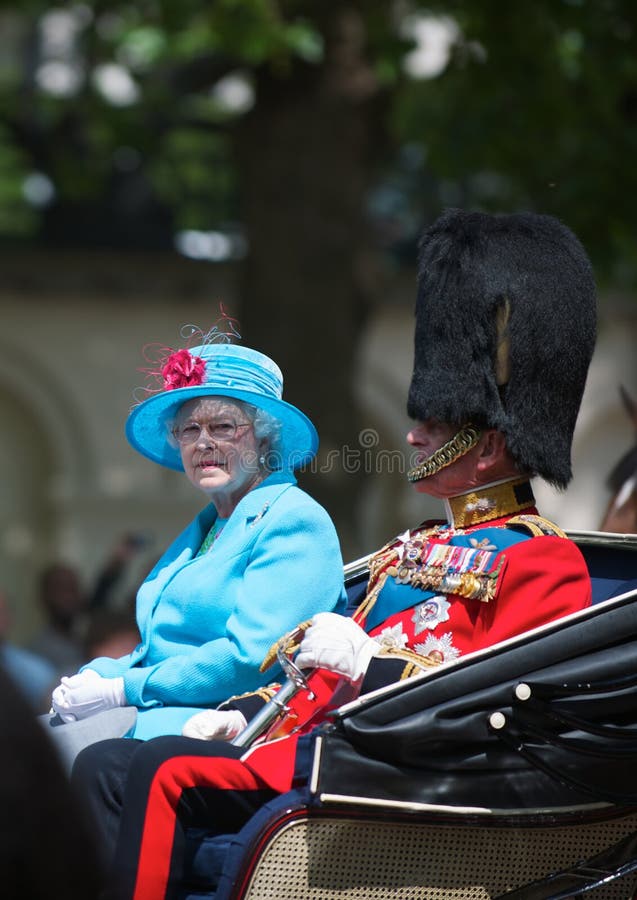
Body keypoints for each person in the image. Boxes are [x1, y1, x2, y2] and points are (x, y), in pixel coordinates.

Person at [73, 209, 598, 899]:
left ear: (490, 448)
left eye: (431, 424)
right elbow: (308, 663)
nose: (412, 439)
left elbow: (493, 694)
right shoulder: (421, 545)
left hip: (390, 759)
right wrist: (252, 705)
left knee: (161, 770)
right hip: (315, 738)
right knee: (106, 765)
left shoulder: (541, 561)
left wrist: (368, 665)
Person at [45, 324, 346, 759]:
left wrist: (121, 688)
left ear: (264, 437)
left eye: (223, 426)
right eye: (189, 430)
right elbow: (155, 648)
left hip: (230, 726)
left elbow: (251, 659)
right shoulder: (209, 524)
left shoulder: (295, 519)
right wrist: (94, 675)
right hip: (162, 712)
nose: (203, 443)